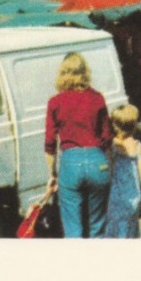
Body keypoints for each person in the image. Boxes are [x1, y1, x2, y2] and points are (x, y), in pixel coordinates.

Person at [44, 52, 113, 238]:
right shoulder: (97, 98)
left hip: (70, 162)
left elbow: (50, 142)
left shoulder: (55, 102)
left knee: (73, 227)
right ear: (85, 73)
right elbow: (107, 137)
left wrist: (52, 174)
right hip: (97, 160)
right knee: (97, 225)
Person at [105, 104, 141, 238]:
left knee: (115, 229)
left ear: (114, 125)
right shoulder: (138, 146)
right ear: (134, 125)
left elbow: (108, 168)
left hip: (114, 196)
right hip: (133, 196)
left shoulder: (112, 145)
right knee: (131, 227)